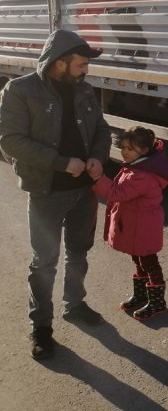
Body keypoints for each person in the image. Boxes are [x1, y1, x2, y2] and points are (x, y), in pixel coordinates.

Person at [0, 29, 111, 360]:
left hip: (84, 191)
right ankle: (41, 328)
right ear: (60, 63)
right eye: (80, 64)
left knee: (79, 252)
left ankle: (74, 305)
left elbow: (102, 130)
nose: (85, 70)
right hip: (46, 192)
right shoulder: (20, 91)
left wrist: (97, 157)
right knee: (44, 263)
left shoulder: (85, 90)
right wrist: (63, 163)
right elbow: (9, 140)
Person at [88, 126, 168, 320]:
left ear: (144, 150)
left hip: (143, 227)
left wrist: (97, 178)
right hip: (136, 225)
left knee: (149, 262)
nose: (125, 152)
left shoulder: (142, 175)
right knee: (138, 259)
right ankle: (142, 294)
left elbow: (116, 193)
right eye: (124, 147)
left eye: (130, 148)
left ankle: (157, 302)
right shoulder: (138, 167)